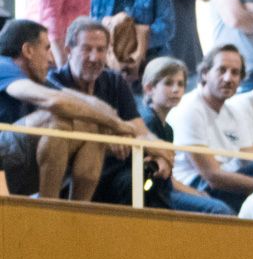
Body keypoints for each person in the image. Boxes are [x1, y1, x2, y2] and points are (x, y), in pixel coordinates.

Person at [0, 19, 138, 200]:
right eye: (47, 48)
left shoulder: (42, 80)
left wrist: (117, 129)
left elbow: (86, 104)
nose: (50, 59)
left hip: (19, 166)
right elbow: (54, 102)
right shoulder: (4, 66)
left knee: (91, 127)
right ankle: (48, 210)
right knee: (57, 117)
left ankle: (75, 215)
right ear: (28, 50)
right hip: (5, 156)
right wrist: (115, 125)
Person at [46, 17, 173, 206]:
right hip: (69, 174)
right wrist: (112, 135)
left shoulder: (114, 81)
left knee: (150, 178)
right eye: (87, 49)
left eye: (101, 50)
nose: (94, 57)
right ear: (69, 50)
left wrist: (162, 156)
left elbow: (139, 130)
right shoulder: (53, 82)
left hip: (113, 172)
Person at [167, 44, 253, 207]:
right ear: (205, 73)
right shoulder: (190, 108)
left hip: (229, 179)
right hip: (196, 185)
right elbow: (212, 176)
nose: (228, 79)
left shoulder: (235, 111)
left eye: (235, 73)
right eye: (222, 70)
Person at [138, 55, 232, 215]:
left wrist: (196, 193)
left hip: (165, 190)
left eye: (180, 84)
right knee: (219, 209)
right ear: (149, 88)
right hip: (153, 194)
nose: (176, 89)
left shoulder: (168, 129)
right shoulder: (147, 121)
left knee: (216, 202)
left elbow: (170, 179)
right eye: (168, 83)